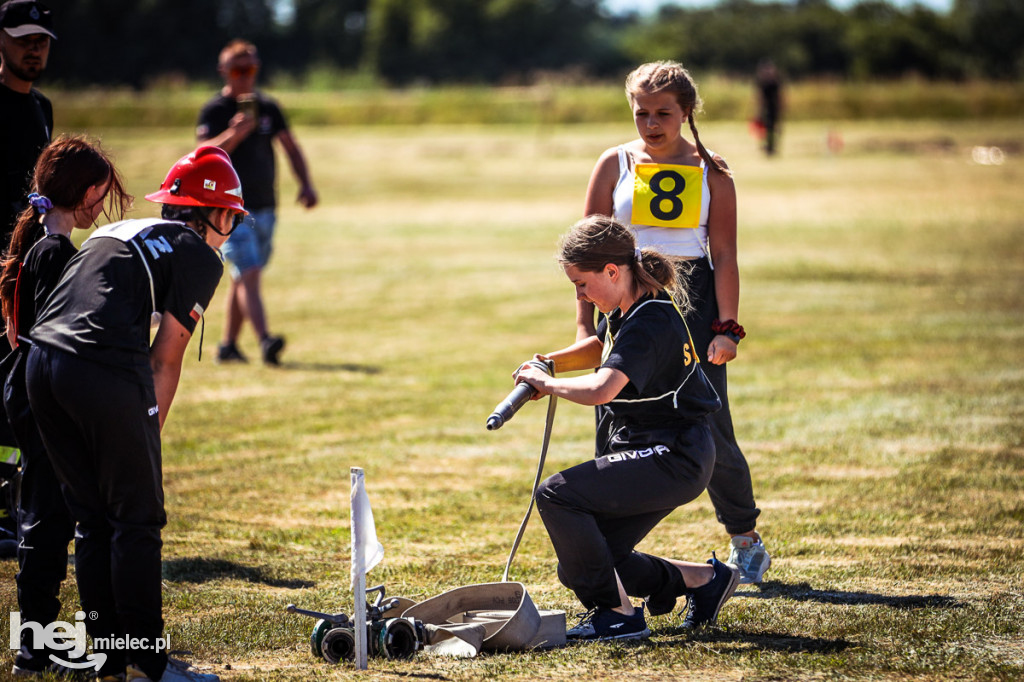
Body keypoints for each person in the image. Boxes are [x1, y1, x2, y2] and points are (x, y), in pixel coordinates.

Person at [24, 146, 245, 682]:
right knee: (137, 518)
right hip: (99, 369)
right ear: (211, 212)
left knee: (93, 520)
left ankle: (107, 658)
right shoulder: (197, 252)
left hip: (40, 366)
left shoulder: (121, 232)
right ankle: (147, 665)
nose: (230, 231)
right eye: (232, 219)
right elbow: (165, 359)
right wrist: (145, 437)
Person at [579, 61, 770, 584]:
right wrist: (583, 325)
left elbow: (725, 255)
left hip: (695, 307)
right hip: (624, 303)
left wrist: (726, 328)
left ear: (687, 111)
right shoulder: (613, 163)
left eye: (664, 112)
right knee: (613, 414)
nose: (652, 123)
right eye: (642, 113)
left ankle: (744, 538)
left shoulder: (714, 171)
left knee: (708, 423)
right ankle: (608, 542)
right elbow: (586, 255)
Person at [514, 216, 741, 640]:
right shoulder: (628, 308)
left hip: (675, 455)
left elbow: (603, 388)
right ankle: (705, 581)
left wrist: (547, 384)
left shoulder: (649, 320)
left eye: (582, 284)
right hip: (662, 449)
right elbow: (601, 346)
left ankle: (617, 614)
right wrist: (550, 362)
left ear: (613, 272)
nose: (579, 295)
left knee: (556, 495)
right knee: (588, 559)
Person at [0, 135, 131, 677]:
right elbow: (67, 333)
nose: (101, 204)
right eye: (100, 192)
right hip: (48, 401)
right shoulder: (55, 253)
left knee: (45, 515)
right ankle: (37, 642)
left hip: (34, 397)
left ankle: (38, 640)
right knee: (49, 520)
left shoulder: (44, 247)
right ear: (84, 190)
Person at [196, 38, 318, 366]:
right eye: (238, 70)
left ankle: (227, 346)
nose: (245, 77)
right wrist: (234, 134)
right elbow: (202, 157)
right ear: (224, 71)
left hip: (266, 206)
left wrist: (306, 184)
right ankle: (265, 341)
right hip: (228, 209)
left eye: (250, 69)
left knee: (244, 275)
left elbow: (291, 147)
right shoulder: (215, 111)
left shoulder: (268, 107)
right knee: (248, 271)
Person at [0, 0, 56, 251]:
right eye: (23, 40)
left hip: (27, 254)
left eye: (41, 42)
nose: (34, 49)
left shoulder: (42, 106)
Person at [755, 59, 782, 157]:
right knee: (765, 128)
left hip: (772, 108)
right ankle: (768, 146)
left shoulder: (774, 82)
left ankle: (771, 146)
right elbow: (760, 97)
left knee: (773, 128)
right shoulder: (764, 82)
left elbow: (778, 96)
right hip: (766, 108)